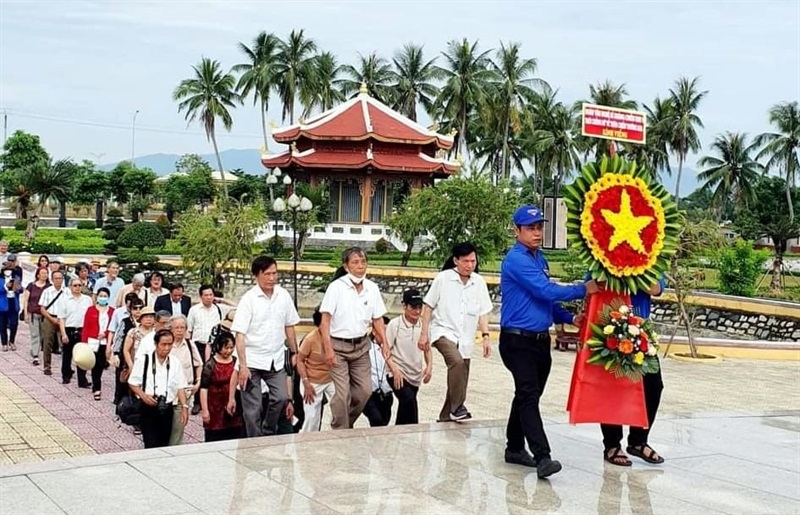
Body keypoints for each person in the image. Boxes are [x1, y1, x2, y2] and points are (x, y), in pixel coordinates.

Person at [499, 205, 598, 479]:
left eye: (540, 227)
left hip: (540, 341)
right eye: (530, 228)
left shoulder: (539, 259)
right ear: (516, 230)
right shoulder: (516, 260)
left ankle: (514, 448)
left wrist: (568, 317)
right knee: (529, 394)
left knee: (527, 394)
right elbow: (545, 289)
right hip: (517, 341)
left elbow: (545, 299)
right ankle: (543, 457)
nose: (537, 232)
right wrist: (583, 289)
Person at [418, 242, 493, 422]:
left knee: (461, 376)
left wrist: (485, 336)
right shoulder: (443, 279)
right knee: (457, 362)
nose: (470, 265)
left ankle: (446, 415)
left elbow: (483, 311)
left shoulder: (478, 282)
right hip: (443, 332)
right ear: (455, 261)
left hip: (466, 336)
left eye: (473, 261)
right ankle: (458, 407)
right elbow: (428, 306)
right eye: (466, 261)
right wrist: (423, 333)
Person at [319, 247, 388, 430]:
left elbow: (378, 319)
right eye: (355, 262)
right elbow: (324, 322)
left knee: (365, 391)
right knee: (342, 394)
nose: (360, 266)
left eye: (363, 262)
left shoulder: (372, 288)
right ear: (346, 266)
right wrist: (328, 350)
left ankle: (346, 422)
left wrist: (385, 344)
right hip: (338, 346)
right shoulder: (336, 288)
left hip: (361, 347)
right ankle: (341, 429)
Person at [600, 278, 667, 467]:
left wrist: (632, 271)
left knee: (653, 386)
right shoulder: (604, 254)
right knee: (613, 390)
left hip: (641, 331)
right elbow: (595, 284)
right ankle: (612, 445)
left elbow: (655, 288)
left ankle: (638, 440)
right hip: (612, 327)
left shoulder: (649, 257)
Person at [231, 256, 300, 438]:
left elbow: (289, 326)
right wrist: (243, 366)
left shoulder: (283, 295)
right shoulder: (249, 299)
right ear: (257, 275)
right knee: (252, 410)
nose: (272, 278)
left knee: (281, 398)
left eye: (274, 273)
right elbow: (239, 334)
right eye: (267, 274)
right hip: (252, 359)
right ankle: (255, 441)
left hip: (275, 359)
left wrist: (295, 352)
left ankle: (268, 431)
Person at [128, 329, 189, 449]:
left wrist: (184, 407)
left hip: (167, 407)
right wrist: (144, 396)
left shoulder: (174, 361)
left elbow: (180, 385)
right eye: (163, 344)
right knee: (151, 443)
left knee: (164, 443)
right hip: (149, 407)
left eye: (170, 344)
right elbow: (132, 382)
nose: (167, 348)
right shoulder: (144, 360)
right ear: (156, 344)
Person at [384, 289, 432, 425]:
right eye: (413, 307)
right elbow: (386, 350)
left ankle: (401, 432)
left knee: (406, 404)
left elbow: (427, 349)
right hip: (397, 373)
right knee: (409, 400)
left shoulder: (424, 326)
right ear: (404, 306)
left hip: (415, 375)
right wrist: (394, 370)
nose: (417, 311)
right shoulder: (395, 325)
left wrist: (429, 366)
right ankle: (413, 431)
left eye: (419, 307)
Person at [200, 331, 243, 442]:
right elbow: (204, 388)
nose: (229, 351)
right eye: (226, 348)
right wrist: (205, 410)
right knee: (215, 436)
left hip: (232, 404)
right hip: (214, 405)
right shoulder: (210, 364)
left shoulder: (235, 362)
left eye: (231, 348)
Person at [167, 315, 203, 446]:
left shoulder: (189, 344)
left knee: (178, 428)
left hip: (185, 392)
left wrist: (198, 381)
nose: (179, 330)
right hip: (167, 392)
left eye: (182, 327)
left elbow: (199, 364)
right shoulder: (166, 345)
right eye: (176, 327)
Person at [296, 309, 334, 432]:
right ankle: (306, 442)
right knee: (312, 418)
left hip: (331, 379)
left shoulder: (337, 335)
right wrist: (306, 383)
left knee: (342, 407)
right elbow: (299, 360)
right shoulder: (310, 339)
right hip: (312, 380)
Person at [55, 277, 94, 387]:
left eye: (79, 285)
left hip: (83, 330)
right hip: (69, 329)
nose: (77, 287)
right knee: (67, 355)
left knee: (82, 355)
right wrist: (63, 334)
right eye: (75, 285)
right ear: (70, 287)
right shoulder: (65, 300)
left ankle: (82, 380)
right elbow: (61, 318)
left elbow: (90, 316)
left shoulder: (87, 299)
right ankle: (66, 376)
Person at [81, 287, 114, 400]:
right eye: (101, 296)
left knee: (100, 365)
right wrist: (84, 342)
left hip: (105, 341)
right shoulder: (91, 310)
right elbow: (86, 327)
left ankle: (97, 384)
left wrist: (105, 333)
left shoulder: (111, 311)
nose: (103, 298)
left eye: (105, 296)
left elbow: (113, 327)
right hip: (92, 341)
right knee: (94, 365)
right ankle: (97, 388)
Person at [361, 317, 394, 427]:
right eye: (382, 331)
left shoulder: (394, 349)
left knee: (383, 423)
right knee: (376, 420)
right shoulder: (365, 348)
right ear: (374, 331)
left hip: (386, 394)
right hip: (369, 395)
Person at [39, 271, 67, 374]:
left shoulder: (67, 291)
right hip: (50, 317)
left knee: (64, 343)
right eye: (56, 278)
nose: (58, 280)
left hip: (62, 319)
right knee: (47, 343)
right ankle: (47, 366)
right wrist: (52, 319)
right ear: (52, 279)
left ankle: (66, 367)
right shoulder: (47, 291)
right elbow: (42, 309)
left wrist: (61, 319)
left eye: (60, 278)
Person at [22, 267, 50, 366]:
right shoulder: (31, 285)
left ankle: (35, 349)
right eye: (42, 273)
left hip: (45, 315)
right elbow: (26, 299)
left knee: (43, 335)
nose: (44, 275)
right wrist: (25, 313)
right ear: (38, 275)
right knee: (35, 335)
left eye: (46, 273)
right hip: (33, 313)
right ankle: (35, 355)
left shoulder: (49, 287)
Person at [0, 257, 24, 351]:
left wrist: (17, 288)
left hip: (13, 302)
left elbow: (21, 289)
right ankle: (4, 343)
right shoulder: (1, 280)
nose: (8, 271)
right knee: (2, 325)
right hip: (3, 304)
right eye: (6, 270)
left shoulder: (16, 278)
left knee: (14, 324)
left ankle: (12, 341)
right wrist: (5, 287)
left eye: (9, 270)